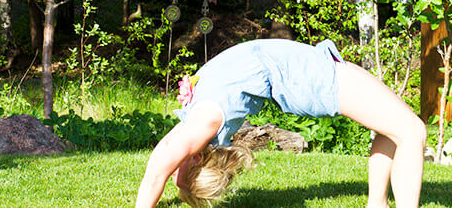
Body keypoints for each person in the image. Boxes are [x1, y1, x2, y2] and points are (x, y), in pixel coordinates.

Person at [134, 38, 426, 208]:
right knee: (412, 131)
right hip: (310, 79)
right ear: (196, 157)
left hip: (309, 69)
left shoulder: (195, 122)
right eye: (180, 169)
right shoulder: (205, 124)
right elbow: (157, 168)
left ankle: (377, 203)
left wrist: (179, 185)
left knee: (395, 126)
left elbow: (161, 163)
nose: (173, 166)